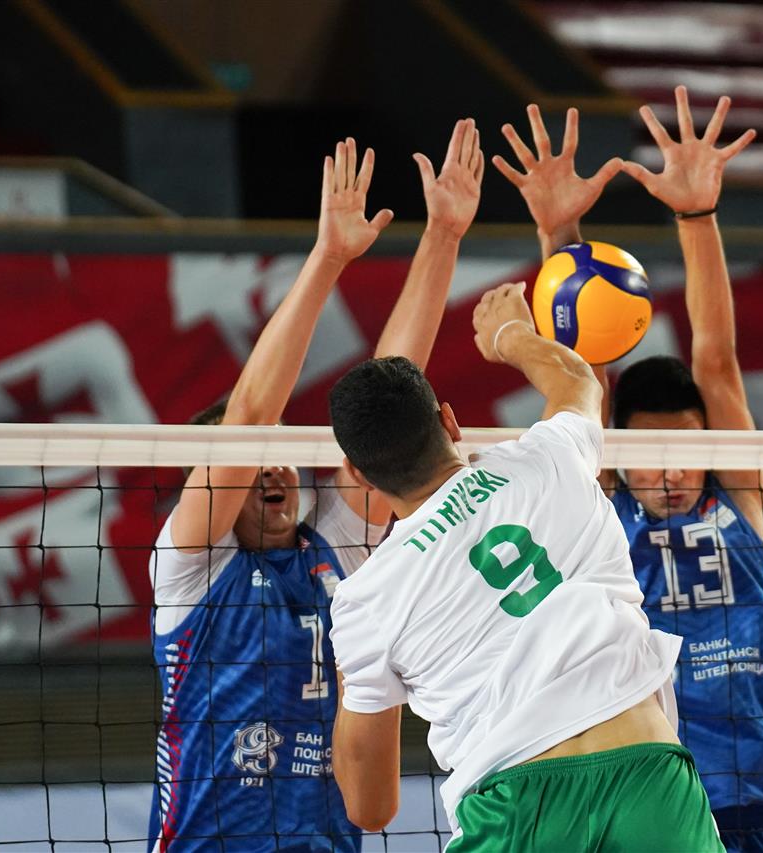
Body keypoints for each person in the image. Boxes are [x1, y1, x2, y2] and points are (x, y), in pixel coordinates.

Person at [147, 121, 484, 852]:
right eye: (253, 463)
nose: (273, 468)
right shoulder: (188, 566)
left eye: (282, 456)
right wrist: (329, 256)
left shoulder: (334, 542)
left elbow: (392, 397)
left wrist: (443, 236)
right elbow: (249, 416)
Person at [495, 88, 763, 852]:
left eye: (685, 451)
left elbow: (717, 359)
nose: (670, 472)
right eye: (650, 454)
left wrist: (697, 215)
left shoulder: (740, 499)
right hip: (655, 814)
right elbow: (580, 375)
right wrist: (560, 235)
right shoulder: (607, 511)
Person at [326, 283, 725, 852]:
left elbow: (370, 808)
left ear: (358, 474)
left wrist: (353, 656)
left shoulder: (365, 600)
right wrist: (510, 336)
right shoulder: (550, 459)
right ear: (450, 422)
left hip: (516, 806)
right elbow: (579, 383)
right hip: (648, 771)